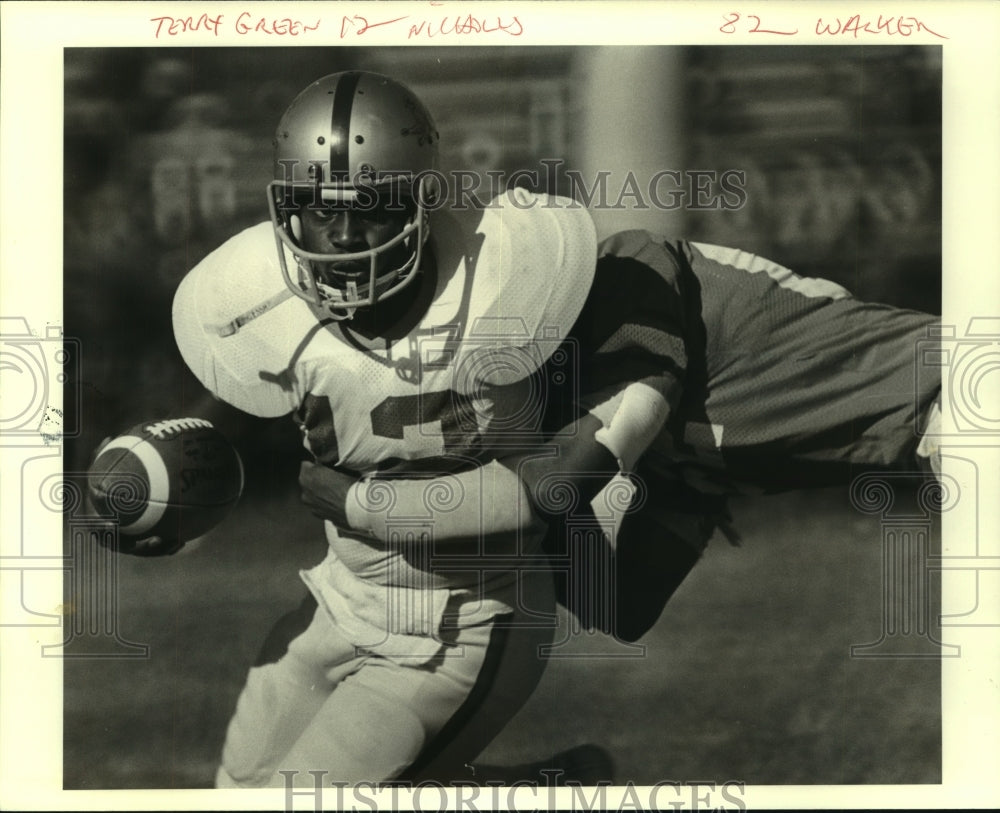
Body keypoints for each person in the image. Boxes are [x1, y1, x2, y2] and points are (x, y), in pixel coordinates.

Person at [170, 70, 631, 788]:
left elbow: (538, 492)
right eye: (321, 210)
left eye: (374, 208)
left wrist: (363, 506)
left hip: (466, 625)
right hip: (335, 605)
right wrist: (156, 473)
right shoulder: (267, 306)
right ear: (286, 208)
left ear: (419, 200)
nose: (346, 235)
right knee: (239, 792)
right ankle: (559, 786)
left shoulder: (494, 294)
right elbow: (224, 407)